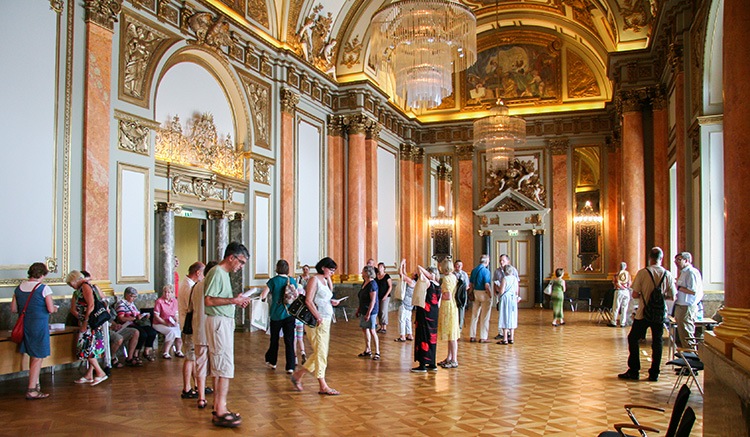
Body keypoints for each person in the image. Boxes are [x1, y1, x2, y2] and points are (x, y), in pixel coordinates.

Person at [204, 242, 251, 427]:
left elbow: (218, 298)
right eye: (241, 262)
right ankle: (221, 410)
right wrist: (233, 300)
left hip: (222, 321)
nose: (241, 267)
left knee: (222, 366)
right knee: (224, 366)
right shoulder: (217, 271)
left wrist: (236, 300)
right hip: (218, 322)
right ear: (231, 257)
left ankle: (219, 407)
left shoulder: (222, 273)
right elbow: (209, 300)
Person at [618, 247, 676, 382]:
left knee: (633, 338)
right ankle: (654, 373)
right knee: (657, 342)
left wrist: (646, 296)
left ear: (650, 258)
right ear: (661, 258)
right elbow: (673, 296)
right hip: (659, 313)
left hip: (643, 312)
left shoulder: (643, 273)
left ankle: (634, 370)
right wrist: (660, 297)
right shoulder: (667, 274)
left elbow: (635, 294)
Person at [290, 257, 341, 395]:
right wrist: (318, 316)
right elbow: (308, 300)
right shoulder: (314, 280)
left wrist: (332, 302)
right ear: (323, 267)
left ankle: (298, 375)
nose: (332, 272)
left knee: (320, 351)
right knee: (321, 352)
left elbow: (324, 298)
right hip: (317, 321)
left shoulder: (325, 280)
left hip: (326, 320)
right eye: (331, 269)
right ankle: (323, 385)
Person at [10, 262, 58, 399]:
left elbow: (13, 309)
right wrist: (55, 308)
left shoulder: (19, 288)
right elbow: (50, 309)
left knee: (32, 354)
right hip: (38, 325)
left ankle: (36, 384)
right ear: (42, 274)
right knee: (38, 357)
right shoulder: (44, 288)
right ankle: (32, 390)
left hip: (24, 325)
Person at [66, 270, 108, 386]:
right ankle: (90, 374)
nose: (71, 286)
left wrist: (85, 321)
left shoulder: (85, 286)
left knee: (86, 349)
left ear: (74, 280)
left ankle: (100, 372)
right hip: (89, 322)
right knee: (89, 348)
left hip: (90, 323)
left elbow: (91, 305)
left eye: (70, 283)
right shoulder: (82, 288)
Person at [184, 261, 217, 409]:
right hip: (212, 330)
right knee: (216, 366)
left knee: (200, 365)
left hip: (198, 330)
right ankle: (217, 399)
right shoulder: (213, 286)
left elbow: (190, 308)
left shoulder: (196, 287)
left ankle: (201, 397)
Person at [262, 259, 299, 374]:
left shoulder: (273, 281)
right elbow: (296, 295)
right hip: (289, 314)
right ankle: (290, 366)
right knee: (289, 341)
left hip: (276, 315)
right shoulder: (292, 280)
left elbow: (263, 295)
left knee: (274, 339)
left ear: (277, 268)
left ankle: (273, 362)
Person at [178, 262, 205, 398]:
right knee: (189, 358)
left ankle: (197, 385)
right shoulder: (189, 286)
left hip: (188, 325)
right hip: (189, 326)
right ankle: (186, 388)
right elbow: (193, 306)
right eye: (203, 273)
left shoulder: (187, 284)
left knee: (193, 357)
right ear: (198, 273)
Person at [116, 287, 158, 362]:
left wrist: (143, 315)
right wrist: (133, 318)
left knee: (152, 332)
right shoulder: (121, 304)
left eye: (135, 297)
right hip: (128, 325)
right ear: (127, 295)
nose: (134, 299)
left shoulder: (132, 304)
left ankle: (146, 351)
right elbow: (121, 318)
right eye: (133, 296)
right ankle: (135, 353)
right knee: (142, 334)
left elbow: (137, 314)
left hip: (137, 323)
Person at [411, 265, 441, 373]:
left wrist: (423, 270)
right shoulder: (438, 284)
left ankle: (422, 364)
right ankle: (432, 363)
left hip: (425, 313)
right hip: (433, 313)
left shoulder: (429, 283)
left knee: (423, 336)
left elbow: (420, 270)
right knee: (431, 337)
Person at [673, 252, 704, 349]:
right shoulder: (684, 272)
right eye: (675, 260)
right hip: (681, 305)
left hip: (687, 306)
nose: (676, 262)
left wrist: (678, 287)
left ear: (686, 260)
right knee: (682, 333)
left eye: (679, 260)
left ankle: (691, 354)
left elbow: (693, 291)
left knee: (687, 332)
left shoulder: (691, 272)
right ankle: (687, 353)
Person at [437, 259, 460, 368]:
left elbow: (448, 296)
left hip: (448, 307)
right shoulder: (453, 276)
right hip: (453, 306)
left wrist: (439, 295)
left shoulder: (446, 279)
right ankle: (449, 357)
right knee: (451, 334)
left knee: (452, 335)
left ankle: (454, 359)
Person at [355, 265, 380, 360]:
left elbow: (373, 301)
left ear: (367, 273)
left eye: (363, 271)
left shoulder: (372, 284)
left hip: (371, 311)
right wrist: (359, 309)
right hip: (363, 309)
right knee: (365, 329)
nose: (361, 273)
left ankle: (377, 352)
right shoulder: (365, 282)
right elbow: (361, 298)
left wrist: (368, 314)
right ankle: (368, 349)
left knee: (372, 330)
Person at [153, 284, 184, 359]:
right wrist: (166, 323)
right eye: (165, 292)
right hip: (159, 323)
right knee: (171, 332)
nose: (166, 294)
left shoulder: (175, 301)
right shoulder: (159, 301)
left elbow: (176, 314)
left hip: (171, 322)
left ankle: (178, 350)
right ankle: (166, 352)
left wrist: (176, 321)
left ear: (172, 293)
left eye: (169, 292)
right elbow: (156, 316)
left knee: (179, 329)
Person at [493, 254, 519, 339]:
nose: (501, 262)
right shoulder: (497, 271)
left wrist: (517, 295)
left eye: (503, 260)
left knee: (509, 314)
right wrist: (495, 291)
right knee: (501, 313)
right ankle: (501, 333)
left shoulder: (513, 270)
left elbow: (517, 284)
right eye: (500, 260)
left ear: (508, 261)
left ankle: (508, 333)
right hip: (501, 295)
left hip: (508, 295)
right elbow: (495, 282)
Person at [468, 255, 492, 343]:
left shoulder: (474, 270)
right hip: (484, 293)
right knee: (485, 316)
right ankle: (483, 337)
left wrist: (471, 293)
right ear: (486, 262)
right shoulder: (486, 271)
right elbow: (487, 285)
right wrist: (490, 295)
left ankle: (472, 336)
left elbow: (471, 284)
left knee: (474, 315)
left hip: (475, 292)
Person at [294, 265, 311, 364]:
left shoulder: (295, 293)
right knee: (300, 338)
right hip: (300, 317)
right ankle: (303, 352)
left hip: (294, 317)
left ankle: (295, 357)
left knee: (294, 339)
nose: (305, 271)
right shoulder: (303, 291)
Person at [395, 259, 415, 342]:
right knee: (408, 319)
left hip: (405, 302)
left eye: (414, 273)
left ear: (415, 276)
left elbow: (401, 274)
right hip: (410, 303)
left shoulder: (411, 282)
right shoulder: (414, 282)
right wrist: (404, 266)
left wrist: (401, 264)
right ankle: (410, 334)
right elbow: (404, 274)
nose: (412, 273)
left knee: (402, 319)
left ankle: (402, 336)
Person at [611, 262, 632, 327]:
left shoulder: (616, 274)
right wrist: (625, 288)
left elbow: (615, 282)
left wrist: (620, 287)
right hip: (626, 291)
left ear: (619, 267)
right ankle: (622, 323)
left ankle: (614, 322)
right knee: (624, 308)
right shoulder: (628, 274)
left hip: (619, 291)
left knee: (616, 307)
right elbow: (630, 283)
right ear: (625, 267)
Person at [375, 262, 393, 334]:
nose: (379, 268)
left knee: (383, 311)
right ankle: (381, 326)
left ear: (384, 268)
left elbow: (390, 286)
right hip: (377, 296)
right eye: (379, 267)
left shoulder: (387, 276)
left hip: (385, 296)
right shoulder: (376, 276)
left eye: (381, 267)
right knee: (379, 311)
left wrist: (386, 295)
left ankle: (384, 327)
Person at [454, 260, 470, 330]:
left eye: (460, 265)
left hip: (462, 294)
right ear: (455, 266)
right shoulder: (452, 274)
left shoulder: (464, 274)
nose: (459, 266)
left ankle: (460, 326)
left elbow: (467, 285)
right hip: (454, 293)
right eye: (457, 265)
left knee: (461, 309)